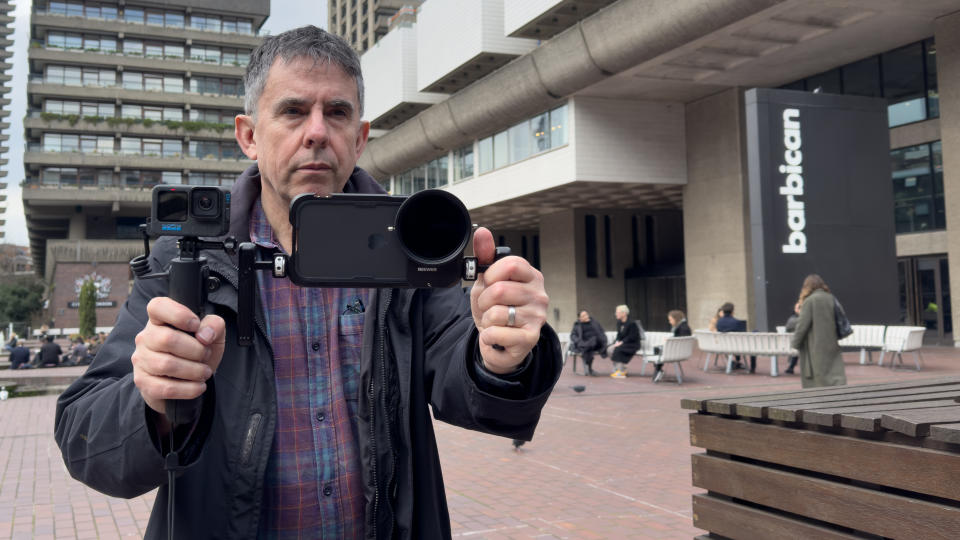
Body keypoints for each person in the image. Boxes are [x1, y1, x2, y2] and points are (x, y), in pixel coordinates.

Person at [54, 26, 561, 540]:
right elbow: (83, 434)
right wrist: (153, 403)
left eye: (337, 113)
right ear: (249, 135)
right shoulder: (187, 261)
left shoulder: (412, 249)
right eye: (293, 111)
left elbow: (468, 379)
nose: (317, 131)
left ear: (359, 139)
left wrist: (502, 353)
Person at [790, 274, 846, 388]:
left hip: (814, 345)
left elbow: (802, 325)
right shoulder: (830, 297)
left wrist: (795, 343)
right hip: (831, 342)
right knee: (833, 373)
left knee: (817, 378)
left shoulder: (809, 301)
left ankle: (820, 401)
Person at [650, 310, 691, 382]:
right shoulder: (684, 326)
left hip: (677, 352)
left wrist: (669, 340)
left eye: (671, 320)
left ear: (676, 319)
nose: (670, 322)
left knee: (657, 349)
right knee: (659, 349)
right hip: (681, 351)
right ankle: (658, 369)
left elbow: (679, 340)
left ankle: (658, 369)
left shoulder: (681, 328)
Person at [715, 302, 755, 373]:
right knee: (752, 340)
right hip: (736, 347)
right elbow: (744, 335)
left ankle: (737, 361)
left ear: (723, 311)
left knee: (736, 341)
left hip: (723, 346)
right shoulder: (736, 322)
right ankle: (752, 367)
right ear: (733, 311)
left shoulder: (718, 322)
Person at [568, 310, 607, 376]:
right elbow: (573, 335)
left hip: (597, 343)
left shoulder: (595, 323)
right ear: (579, 318)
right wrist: (578, 341)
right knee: (589, 347)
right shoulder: (577, 325)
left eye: (586, 314)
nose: (586, 316)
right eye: (583, 316)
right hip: (585, 343)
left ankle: (586, 350)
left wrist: (604, 339)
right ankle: (590, 369)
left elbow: (602, 332)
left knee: (593, 340)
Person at [609, 305, 640, 379]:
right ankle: (620, 368)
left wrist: (621, 343)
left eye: (617, 312)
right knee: (609, 349)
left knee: (618, 350)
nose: (616, 314)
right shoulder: (619, 322)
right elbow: (619, 335)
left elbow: (632, 337)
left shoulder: (632, 323)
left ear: (624, 313)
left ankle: (621, 372)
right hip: (623, 343)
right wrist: (616, 342)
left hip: (632, 344)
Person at [783, 301, 802, 374]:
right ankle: (791, 367)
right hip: (795, 345)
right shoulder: (796, 320)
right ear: (795, 309)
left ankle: (791, 367)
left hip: (791, 345)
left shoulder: (791, 319)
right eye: (799, 307)